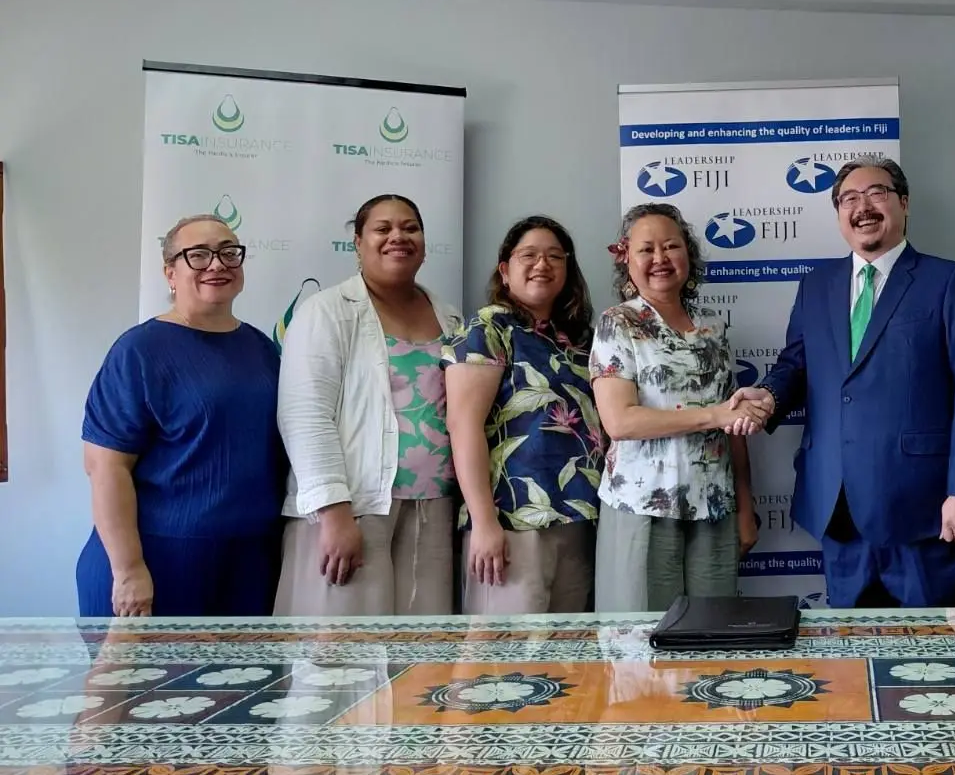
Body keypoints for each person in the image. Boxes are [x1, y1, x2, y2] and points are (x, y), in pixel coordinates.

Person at [741, 157, 955, 609]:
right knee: (856, 658)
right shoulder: (816, 286)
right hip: (840, 512)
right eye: (849, 199)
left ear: (903, 203)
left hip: (928, 512)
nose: (862, 207)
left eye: (876, 193)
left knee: (939, 661)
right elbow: (796, 364)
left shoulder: (949, 281)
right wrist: (767, 395)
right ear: (839, 213)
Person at [76, 214, 285, 617]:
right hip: (154, 561)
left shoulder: (261, 349)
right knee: (133, 682)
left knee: (245, 682)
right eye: (198, 255)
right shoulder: (140, 351)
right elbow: (105, 467)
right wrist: (128, 568)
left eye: (229, 252)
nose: (217, 264)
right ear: (170, 271)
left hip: (248, 564)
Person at [275, 194, 463, 616]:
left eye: (410, 227)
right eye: (383, 228)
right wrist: (334, 512)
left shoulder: (451, 318)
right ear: (358, 243)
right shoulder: (325, 313)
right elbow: (304, 416)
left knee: (421, 658)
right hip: (355, 509)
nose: (398, 236)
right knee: (343, 659)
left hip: (434, 507)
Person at [589, 204, 762, 613]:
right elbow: (620, 421)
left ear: (689, 255)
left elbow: (733, 423)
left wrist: (745, 507)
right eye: (646, 249)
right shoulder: (618, 323)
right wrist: (713, 415)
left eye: (671, 246)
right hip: (643, 505)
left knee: (711, 635)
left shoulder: (713, 326)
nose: (660, 259)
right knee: (642, 642)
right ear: (626, 259)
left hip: (715, 507)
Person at [443, 216, 603, 615]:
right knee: (508, 659)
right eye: (528, 255)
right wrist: (484, 523)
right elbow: (463, 426)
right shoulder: (488, 329)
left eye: (554, 256)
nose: (542, 264)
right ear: (505, 269)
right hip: (511, 520)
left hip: (579, 516)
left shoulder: (582, 339)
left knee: (571, 660)